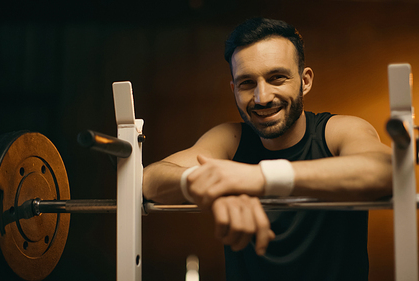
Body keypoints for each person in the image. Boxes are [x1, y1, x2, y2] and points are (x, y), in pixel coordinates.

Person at [143, 17, 392, 280]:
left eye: (277, 78)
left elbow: (387, 170)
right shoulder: (231, 139)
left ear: (305, 81)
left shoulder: (337, 131)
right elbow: (149, 178)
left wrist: (256, 178)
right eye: (247, 83)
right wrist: (204, 182)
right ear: (234, 89)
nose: (262, 97)